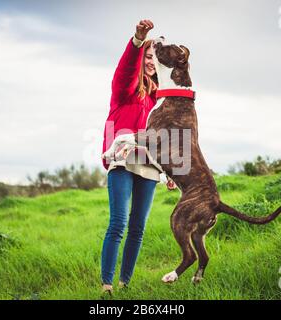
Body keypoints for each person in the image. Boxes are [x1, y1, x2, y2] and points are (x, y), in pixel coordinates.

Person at [100, 19, 176, 294]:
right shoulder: (125, 90)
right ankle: (107, 285)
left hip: (149, 164)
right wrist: (137, 41)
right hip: (122, 157)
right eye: (148, 55)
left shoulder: (159, 100)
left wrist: (169, 169)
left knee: (138, 227)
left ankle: (124, 285)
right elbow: (127, 70)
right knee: (118, 223)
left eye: (155, 58)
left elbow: (165, 134)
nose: (151, 61)